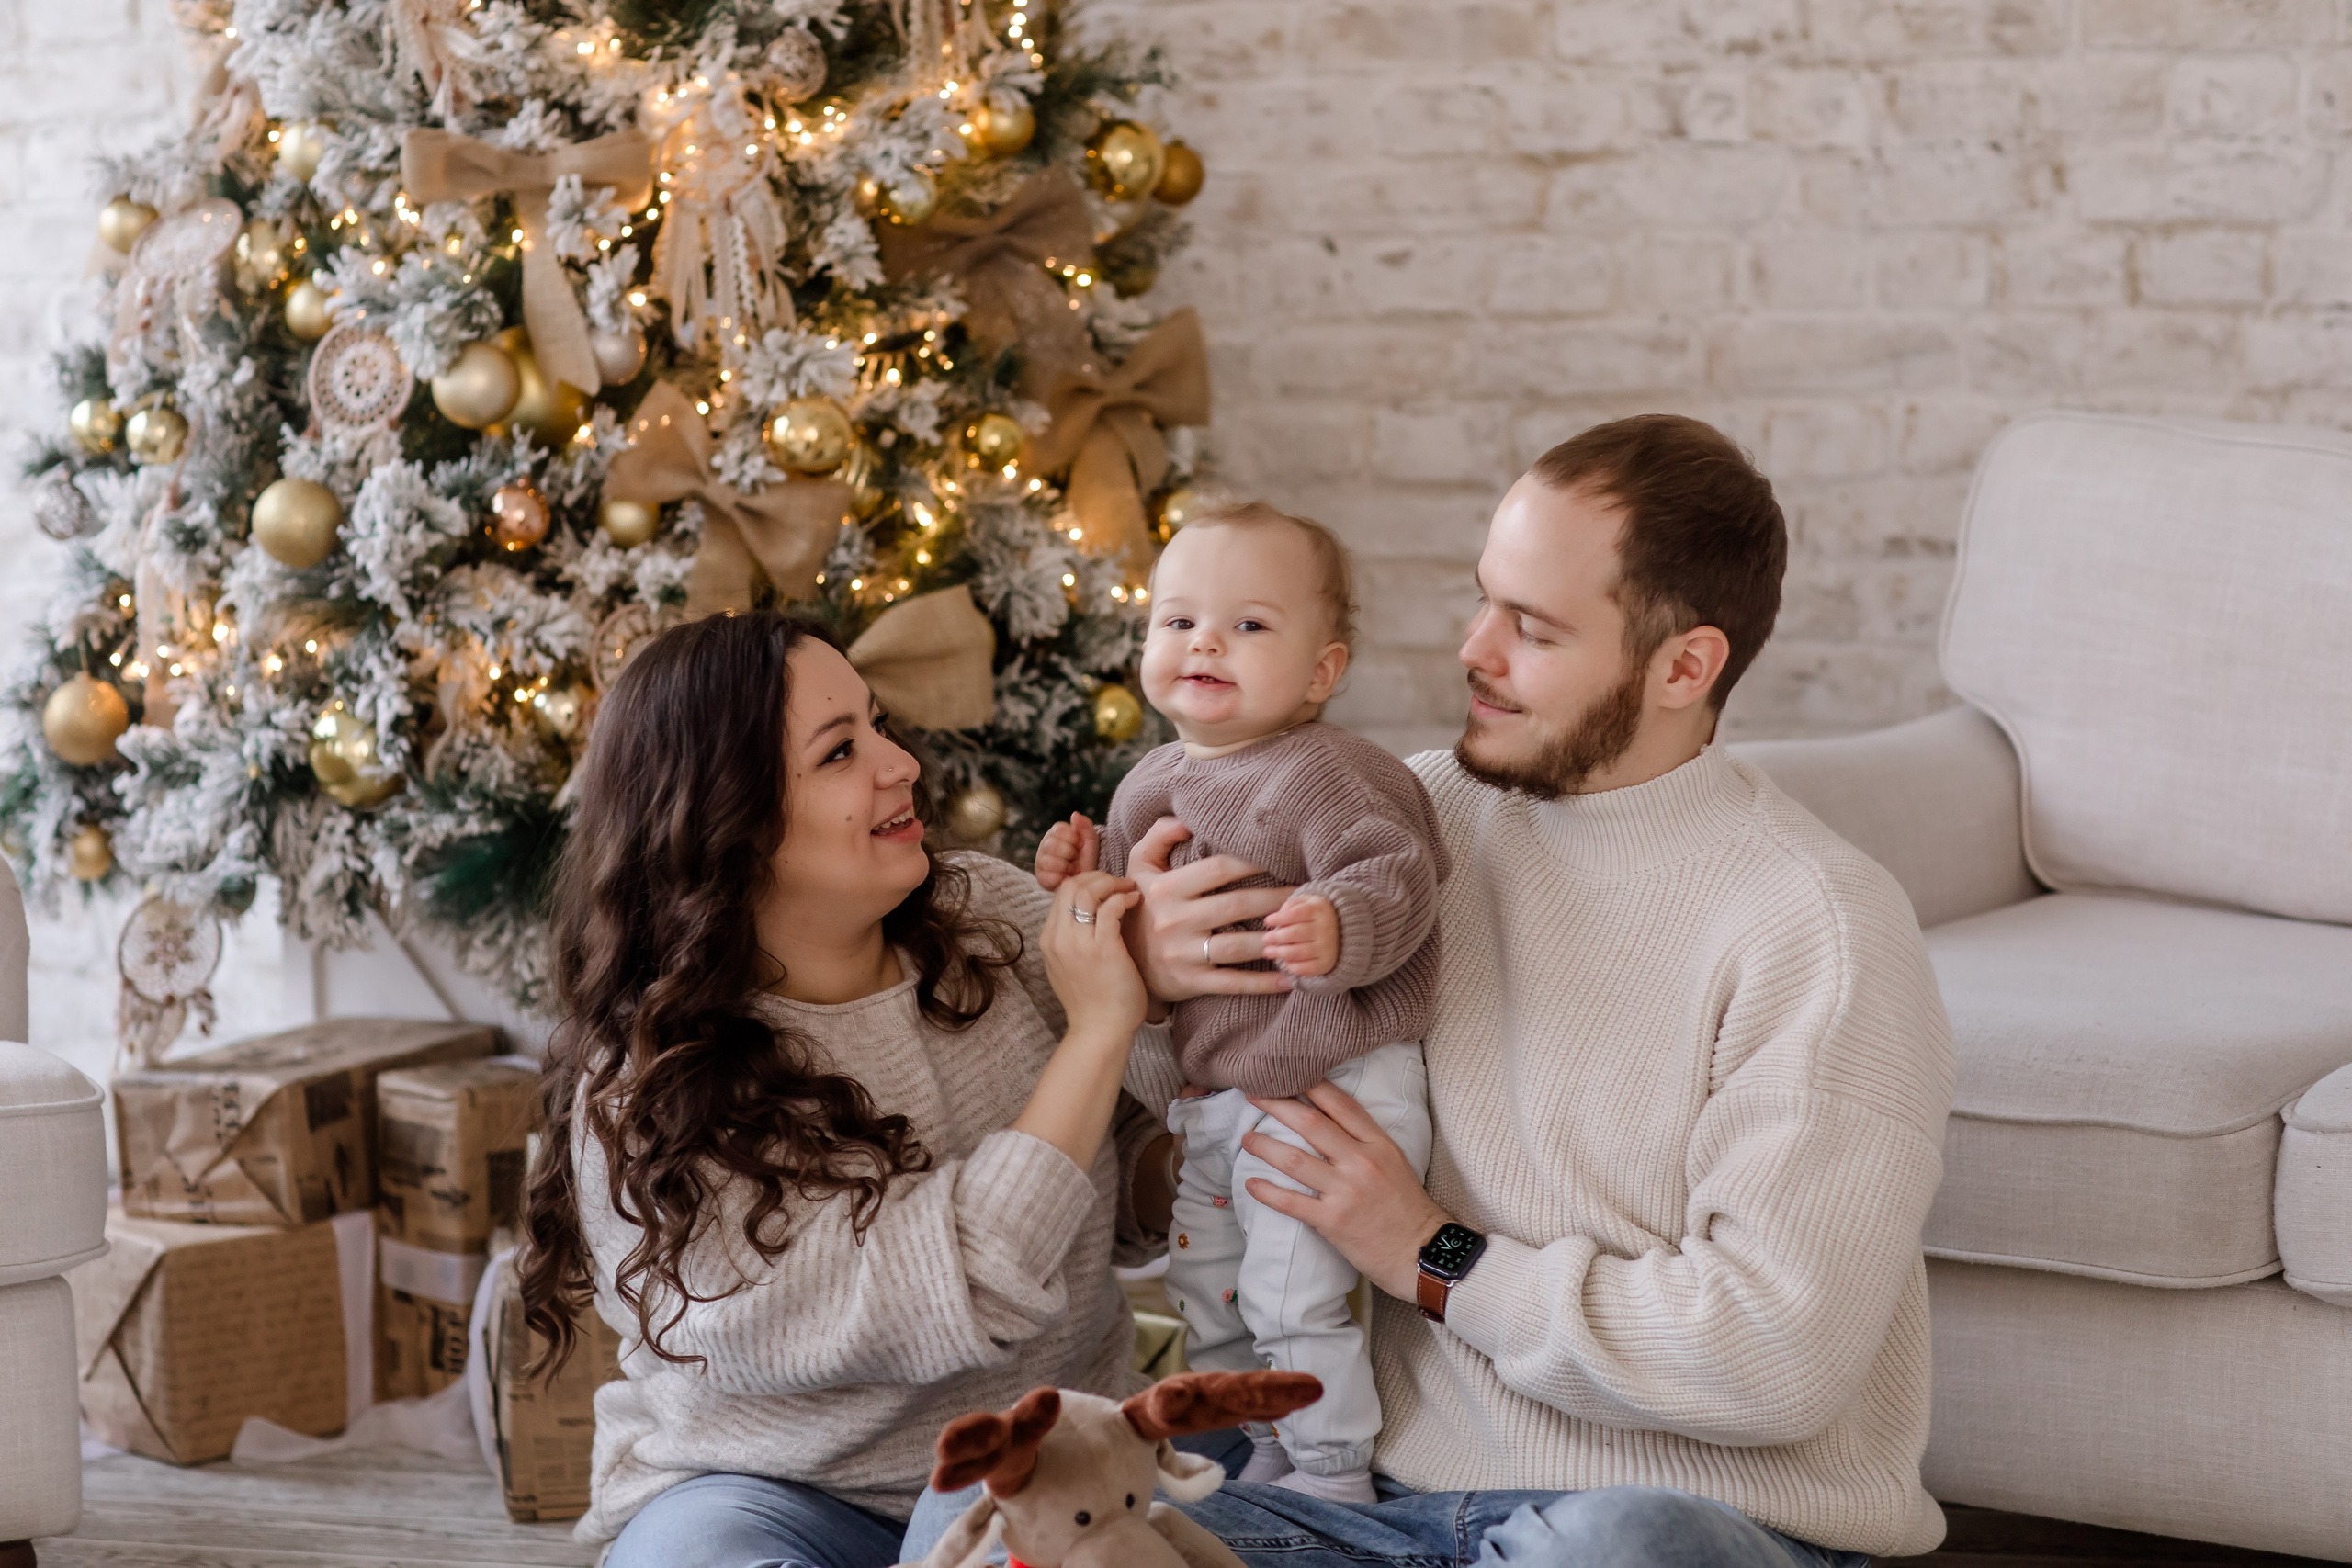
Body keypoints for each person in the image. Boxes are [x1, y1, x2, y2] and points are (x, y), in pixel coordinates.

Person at [1116, 416, 1957, 1566]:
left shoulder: (1815, 925)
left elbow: (1775, 1351)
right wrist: (1154, 985)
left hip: (1677, 1525)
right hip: (1378, 1510)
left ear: (1684, 667)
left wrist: (1431, 1252)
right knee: (997, 1513)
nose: (1473, 649)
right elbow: (1190, 1099)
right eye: (1483, 600)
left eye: (1533, 628)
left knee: (1615, 1549)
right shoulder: (1406, 825)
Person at [514, 611, 1177, 1568]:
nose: (899, 762)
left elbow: (1117, 1188)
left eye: (877, 724)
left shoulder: (985, 917)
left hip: (1041, 1474)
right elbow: (968, 1284)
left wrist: (1194, 1126)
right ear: (729, 824)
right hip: (767, 1492)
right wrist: (1101, 1025)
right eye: (838, 753)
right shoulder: (650, 1092)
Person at [1034, 502, 1443, 1503]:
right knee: (1204, 1288)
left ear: (1320, 672)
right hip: (1214, 1098)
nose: (1204, 641)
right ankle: (1254, 1444)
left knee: (1292, 1292)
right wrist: (1077, 887)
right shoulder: (1147, 786)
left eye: (1248, 625)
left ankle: (1330, 1470)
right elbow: (1133, 930)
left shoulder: (1333, 772)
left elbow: (1399, 873)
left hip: (1327, 1081)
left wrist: (1343, 927)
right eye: (1176, 622)